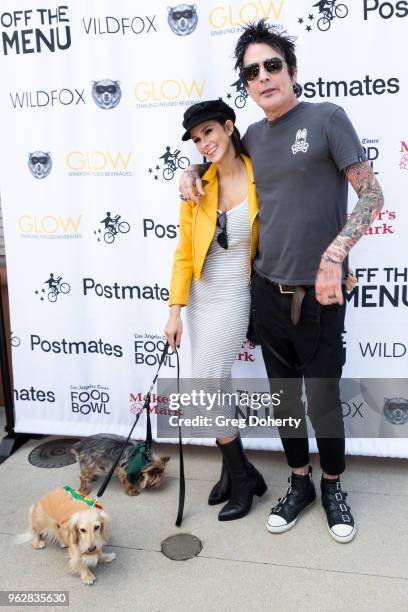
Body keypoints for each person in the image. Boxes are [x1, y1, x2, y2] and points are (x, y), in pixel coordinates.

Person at [179, 21, 384, 543]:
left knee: (323, 399)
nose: (264, 76)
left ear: (292, 71)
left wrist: (336, 254)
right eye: (252, 71)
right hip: (266, 293)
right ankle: (300, 483)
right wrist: (185, 170)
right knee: (286, 402)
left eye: (272, 65)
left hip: (321, 294)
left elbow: (371, 196)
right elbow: (213, 158)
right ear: (245, 86)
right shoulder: (249, 137)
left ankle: (333, 484)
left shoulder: (327, 118)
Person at [164, 99, 267, 521]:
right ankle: (238, 472)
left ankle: (241, 477)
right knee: (215, 385)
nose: (204, 143)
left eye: (209, 132)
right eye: (196, 138)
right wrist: (175, 310)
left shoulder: (263, 173)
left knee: (204, 384)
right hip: (201, 299)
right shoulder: (196, 186)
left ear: (228, 126)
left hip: (236, 294)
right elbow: (184, 254)